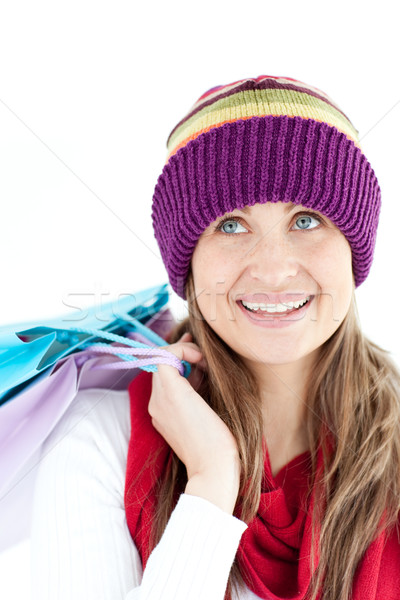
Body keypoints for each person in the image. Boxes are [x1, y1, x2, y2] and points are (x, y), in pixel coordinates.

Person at [30, 75, 400, 600]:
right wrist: (208, 484)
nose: (273, 271)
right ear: (189, 266)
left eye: (307, 219)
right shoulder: (96, 443)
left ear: (353, 250)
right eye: (230, 225)